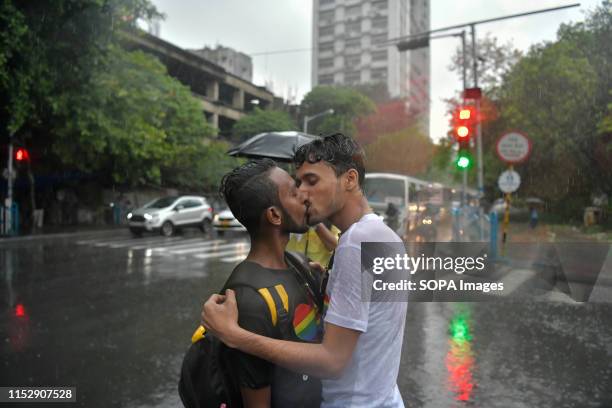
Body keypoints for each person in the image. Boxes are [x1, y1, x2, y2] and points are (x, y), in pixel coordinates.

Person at [202, 134, 408, 408]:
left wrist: (235, 335)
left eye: (312, 181)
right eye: (298, 184)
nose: (303, 193)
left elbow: (333, 361)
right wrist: (332, 280)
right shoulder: (380, 236)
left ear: (350, 179)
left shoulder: (356, 246)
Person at [211, 159, 324, 407]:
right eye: (294, 193)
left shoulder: (298, 263)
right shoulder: (250, 298)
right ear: (274, 215)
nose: (305, 197)